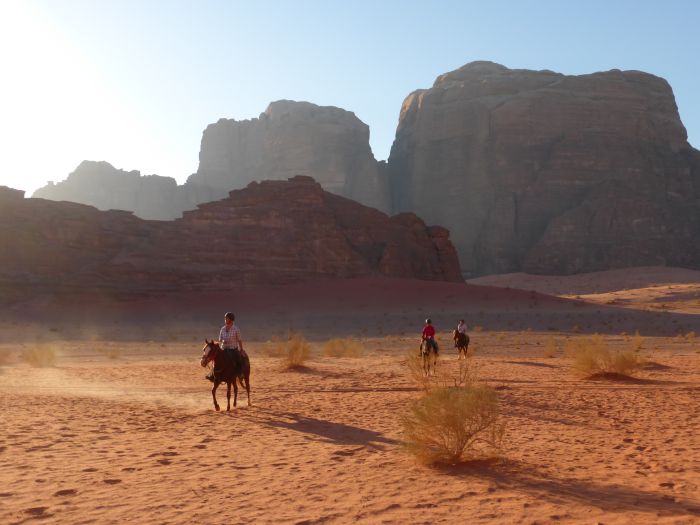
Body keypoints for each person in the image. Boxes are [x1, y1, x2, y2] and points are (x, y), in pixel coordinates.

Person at [219, 312, 245, 378]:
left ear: (230, 319)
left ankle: (240, 373)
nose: (225, 319)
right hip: (223, 348)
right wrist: (223, 341)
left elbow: (239, 340)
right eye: (225, 318)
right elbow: (220, 339)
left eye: (226, 318)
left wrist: (241, 349)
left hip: (233, 349)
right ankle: (212, 374)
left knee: (238, 359)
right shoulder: (222, 329)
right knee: (215, 357)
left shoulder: (236, 329)